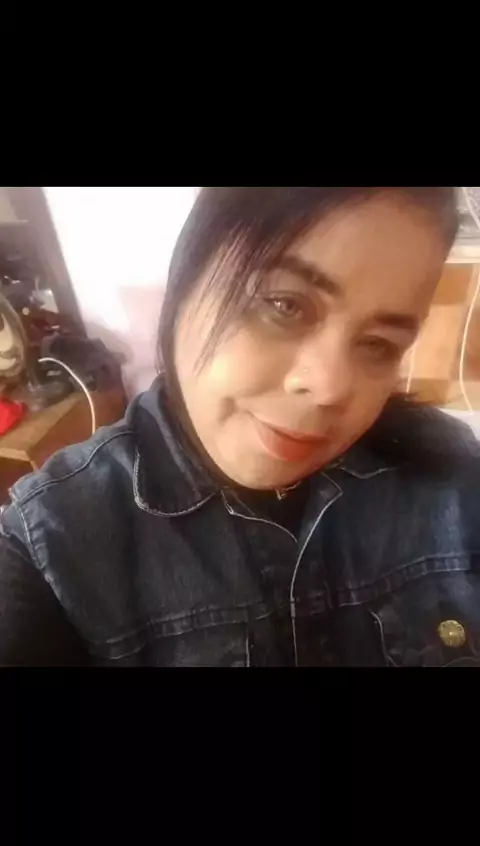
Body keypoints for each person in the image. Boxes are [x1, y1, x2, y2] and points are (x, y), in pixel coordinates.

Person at [1, 186, 479, 667]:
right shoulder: (49, 549)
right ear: (186, 278)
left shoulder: (449, 482)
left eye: (378, 344)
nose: (329, 387)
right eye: (285, 305)